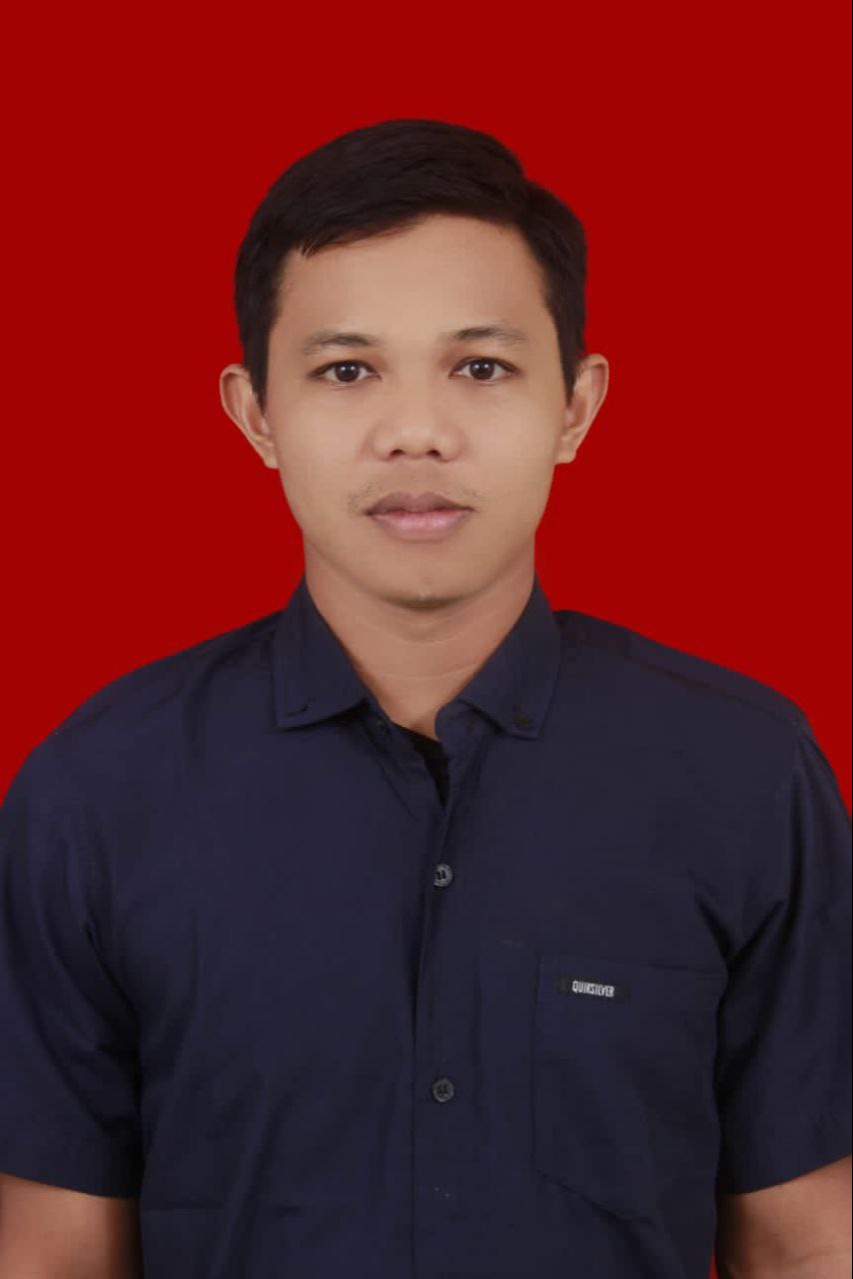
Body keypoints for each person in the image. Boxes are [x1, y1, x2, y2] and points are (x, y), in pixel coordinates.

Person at [0, 117, 849, 1279]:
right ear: (255, 413)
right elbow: (49, 1256)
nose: (415, 434)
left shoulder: (742, 771)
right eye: (346, 371)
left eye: (481, 368)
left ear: (575, 405)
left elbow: (805, 1244)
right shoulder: (97, 791)